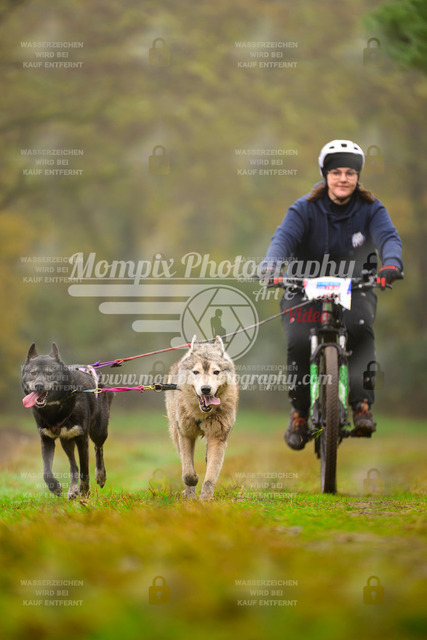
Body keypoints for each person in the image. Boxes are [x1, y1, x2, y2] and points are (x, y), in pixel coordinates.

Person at [262, 140, 403, 450]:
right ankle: (299, 413)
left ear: (357, 177)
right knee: (299, 341)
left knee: (360, 329)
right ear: (325, 175)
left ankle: (361, 406)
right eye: (336, 172)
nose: (343, 179)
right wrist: (271, 266)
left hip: (355, 286)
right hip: (303, 287)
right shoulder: (304, 209)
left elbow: (388, 238)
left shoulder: (371, 209)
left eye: (350, 173)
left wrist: (391, 264)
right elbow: (282, 239)